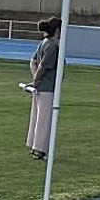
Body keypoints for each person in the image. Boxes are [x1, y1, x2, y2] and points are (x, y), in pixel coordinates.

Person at [26, 16, 61, 160]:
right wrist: (36, 79)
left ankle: (34, 144)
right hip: (48, 88)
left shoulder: (43, 43)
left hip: (41, 87)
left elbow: (33, 61)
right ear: (57, 30)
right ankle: (40, 149)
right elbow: (43, 66)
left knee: (37, 116)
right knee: (44, 119)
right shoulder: (52, 46)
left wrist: (35, 80)